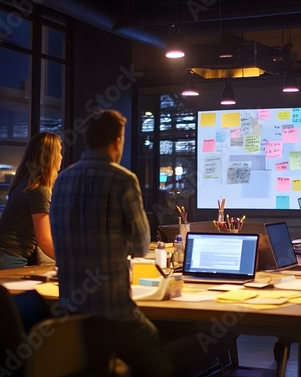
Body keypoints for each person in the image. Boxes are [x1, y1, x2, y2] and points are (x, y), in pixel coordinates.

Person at [50, 109, 234, 376]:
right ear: (117, 142)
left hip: (69, 313)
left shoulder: (62, 180)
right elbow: (139, 246)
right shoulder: (123, 180)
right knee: (213, 336)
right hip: (115, 314)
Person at [0, 132, 62, 270]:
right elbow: (44, 240)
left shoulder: (25, 183)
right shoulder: (38, 188)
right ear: (50, 157)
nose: (61, 157)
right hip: (9, 258)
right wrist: (70, 262)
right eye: (59, 152)